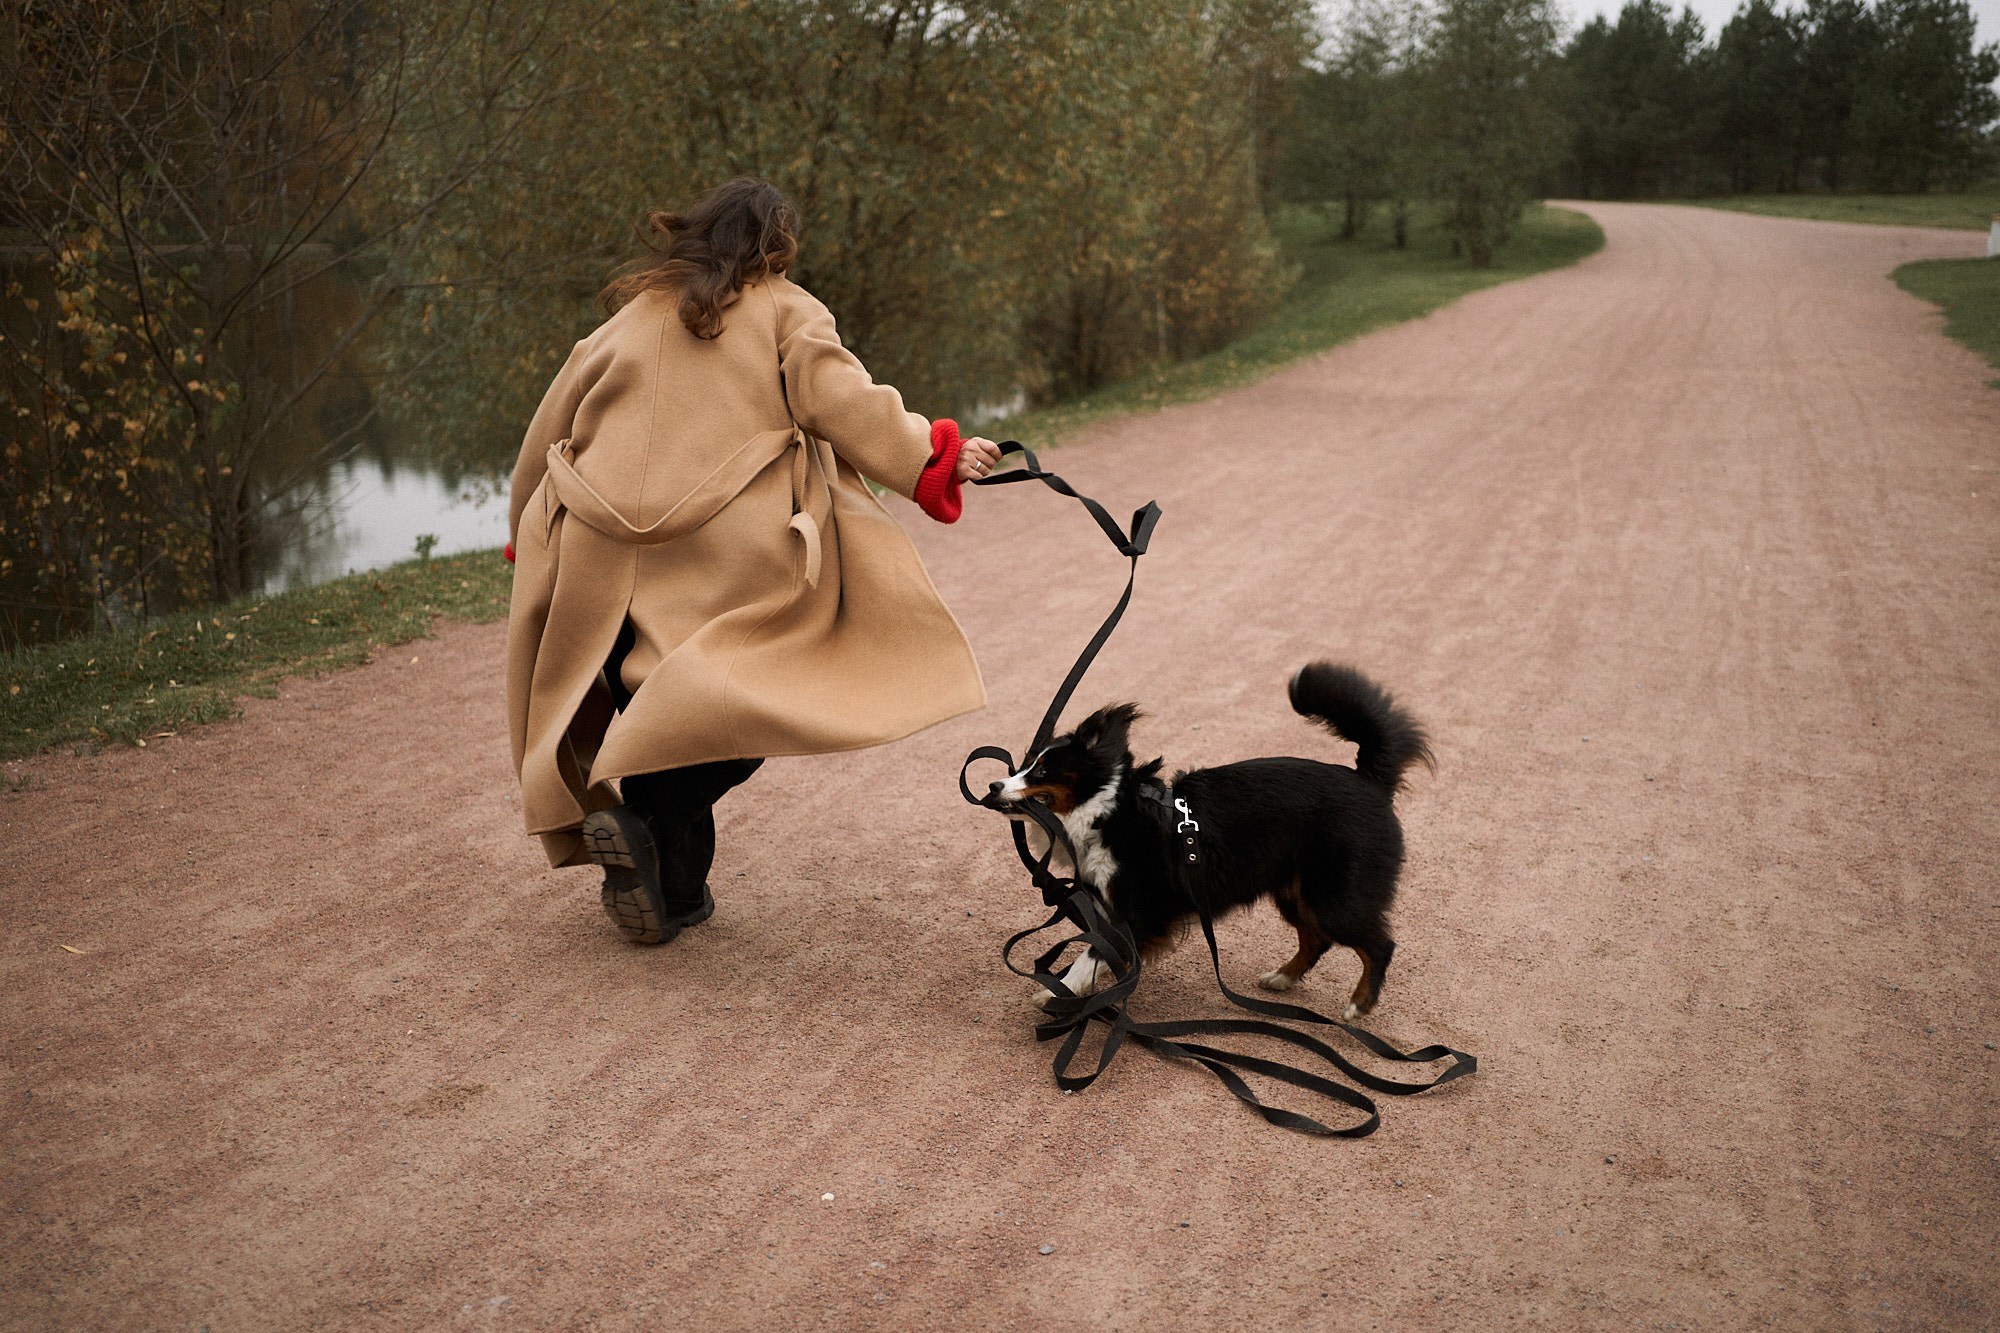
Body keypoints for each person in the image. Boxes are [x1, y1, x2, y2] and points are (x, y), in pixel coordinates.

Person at [504, 178, 999, 945]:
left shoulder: (621, 324)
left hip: (598, 566)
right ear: (775, 244)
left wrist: (525, 540)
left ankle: (674, 894)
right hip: (720, 562)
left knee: (666, 720)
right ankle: (643, 825)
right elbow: (842, 397)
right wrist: (932, 456)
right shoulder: (784, 307)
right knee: (740, 718)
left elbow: (543, 440)